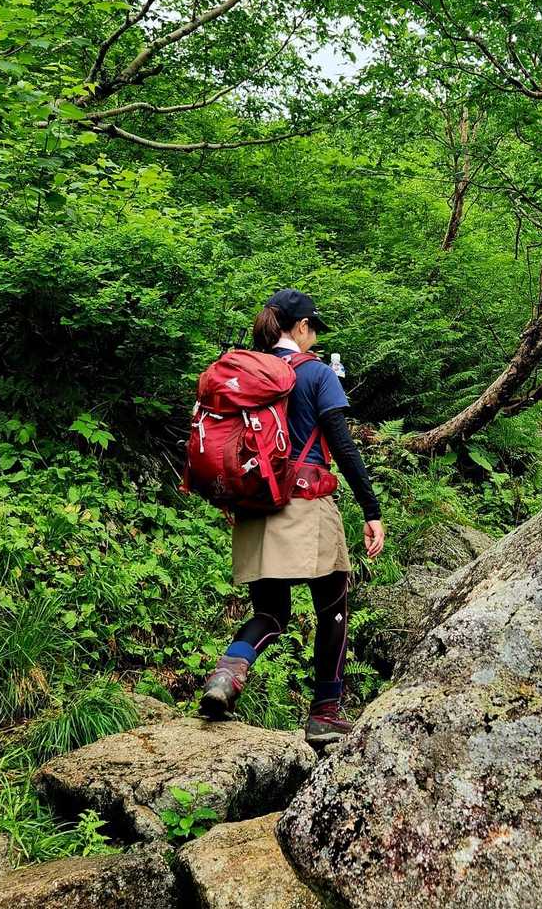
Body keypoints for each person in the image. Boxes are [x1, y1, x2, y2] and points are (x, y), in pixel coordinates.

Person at [199, 288, 385, 746]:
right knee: (333, 603)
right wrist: (372, 510)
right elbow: (343, 446)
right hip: (307, 504)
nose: (315, 337)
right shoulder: (317, 374)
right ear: (301, 327)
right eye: (313, 328)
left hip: (254, 507)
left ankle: (226, 675)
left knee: (271, 612)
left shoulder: (246, 374)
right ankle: (325, 712)